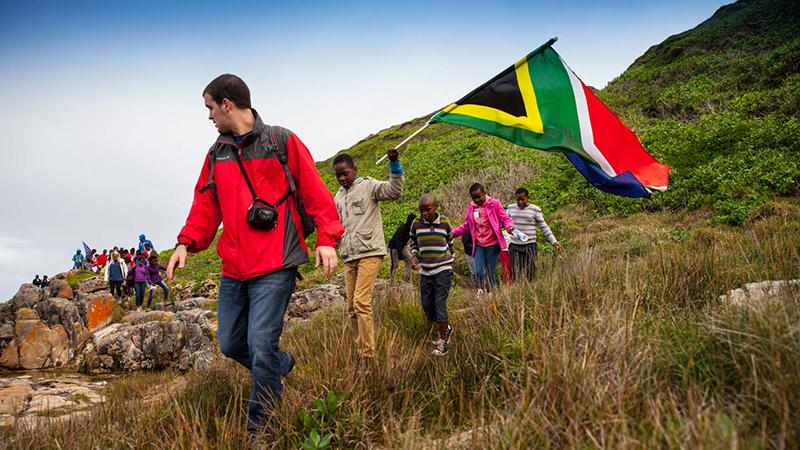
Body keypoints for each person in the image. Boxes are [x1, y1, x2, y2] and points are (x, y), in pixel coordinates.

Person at [166, 74, 343, 434]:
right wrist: (186, 241)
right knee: (232, 344)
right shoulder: (216, 155)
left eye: (210, 108)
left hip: (277, 263)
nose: (209, 116)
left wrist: (327, 237)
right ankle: (281, 364)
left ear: (227, 104)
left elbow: (314, 191)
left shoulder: (282, 142)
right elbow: (205, 205)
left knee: (260, 344)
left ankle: (260, 430)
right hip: (234, 267)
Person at [333, 150, 404, 363]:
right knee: (351, 308)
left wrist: (394, 165)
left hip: (370, 252)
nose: (342, 178)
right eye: (338, 176)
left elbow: (394, 191)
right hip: (349, 256)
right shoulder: (338, 197)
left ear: (355, 170)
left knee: (361, 301)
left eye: (345, 173)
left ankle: (368, 355)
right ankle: (361, 351)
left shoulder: (369, 186)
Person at [409, 194, 455, 356]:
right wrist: (414, 255)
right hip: (426, 271)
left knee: (439, 303)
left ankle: (443, 341)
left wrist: (452, 258)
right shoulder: (416, 223)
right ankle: (446, 328)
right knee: (426, 304)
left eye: (427, 210)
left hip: (443, 269)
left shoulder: (444, 222)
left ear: (436, 207)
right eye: (421, 210)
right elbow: (413, 241)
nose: (424, 213)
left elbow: (450, 241)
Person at [451, 183, 515, 291]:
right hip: (479, 244)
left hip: (493, 244)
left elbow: (505, 218)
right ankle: (482, 291)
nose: (477, 200)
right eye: (474, 198)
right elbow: (466, 225)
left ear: (484, 193)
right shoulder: (472, 207)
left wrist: (509, 227)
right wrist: (451, 233)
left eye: (479, 196)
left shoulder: (494, 203)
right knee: (478, 272)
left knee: (490, 271)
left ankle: (493, 292)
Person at [506, 188, 563, 281]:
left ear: (528, 198)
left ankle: (528, 291)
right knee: (515, 274)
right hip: (514, 245)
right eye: (518, 200)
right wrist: (507, 228)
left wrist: (554, 241)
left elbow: (544, 227)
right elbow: (504, 223)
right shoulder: (510, 208)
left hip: (530, 245)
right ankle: (516, 292)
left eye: (523, 199)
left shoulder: (535, 210)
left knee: (530, 274)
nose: (520, 202)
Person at [388, 213, 416, 284]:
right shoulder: (402, 228)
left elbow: (415, 240)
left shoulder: (412, 229)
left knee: (410, 260)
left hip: (403, 246)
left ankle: (405, 278)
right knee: (395, 264)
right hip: (394, 247)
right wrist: (400, 254)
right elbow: (398, 242)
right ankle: (392, 281)